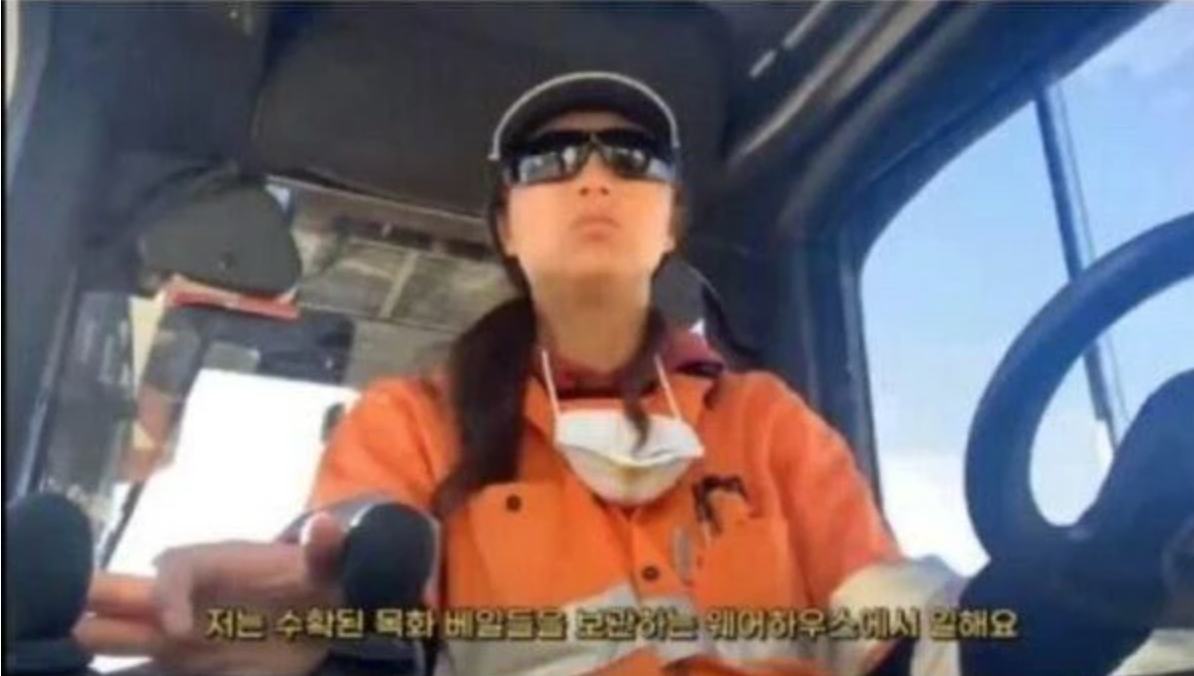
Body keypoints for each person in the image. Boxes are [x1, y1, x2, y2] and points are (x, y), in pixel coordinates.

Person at [77, 72, 1165, 676]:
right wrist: (310, 628)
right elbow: (353, 594)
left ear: (669, 221)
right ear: (509, 225)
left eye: (632, 160)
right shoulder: (409, 423)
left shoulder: (769, 421)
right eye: (552, 162)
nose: (594, 176)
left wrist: (1082, 586)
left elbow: (896, 630)